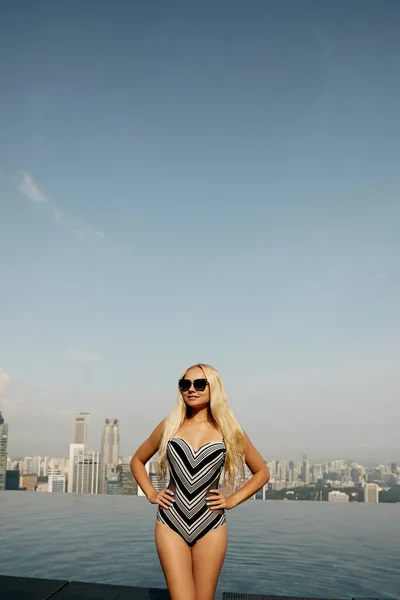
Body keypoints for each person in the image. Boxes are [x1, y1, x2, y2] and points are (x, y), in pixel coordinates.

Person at [131, 363, 270, 600]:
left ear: (213, 388)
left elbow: (262, 473)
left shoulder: (230, 430)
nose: (191, 389)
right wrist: (152, 494)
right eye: (185, 384)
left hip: (211, 524)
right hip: (170, 522)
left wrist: (232, 500)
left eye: (199, 383)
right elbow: (137, 460)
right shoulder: (169, 425)